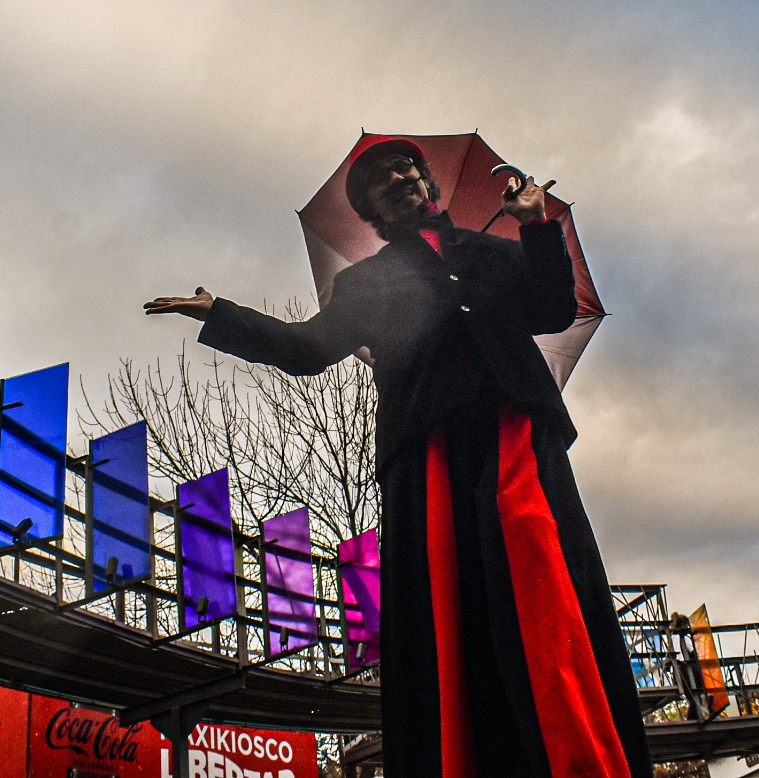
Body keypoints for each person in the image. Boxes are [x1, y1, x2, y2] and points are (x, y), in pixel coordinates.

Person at [145, 136, 653, 778]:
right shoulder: (367, 284)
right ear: (372, 211)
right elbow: (308, 350)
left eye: (409, 164)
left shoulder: (498, 252)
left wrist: (537, 227)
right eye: (384, 175)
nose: (403, 174)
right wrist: (221, 313)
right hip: (429, 453)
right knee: (448, 606)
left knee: (541, 574)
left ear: (430, 184)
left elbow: (553, 310)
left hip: (515, 436)